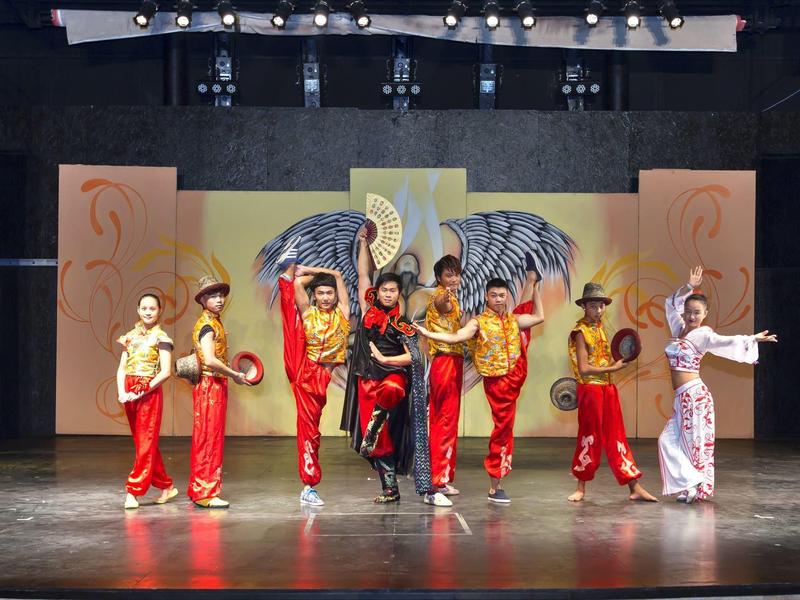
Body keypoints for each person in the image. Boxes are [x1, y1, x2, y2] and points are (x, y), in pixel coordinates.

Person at [341, 228, 450, 507]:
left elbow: (414, 358)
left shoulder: (402, 324)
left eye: (393, 291)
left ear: (399, 294)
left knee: (390, 390)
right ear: (377, 293)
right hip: (366, 379)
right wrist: (364, 243)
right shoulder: (368, 312)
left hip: (392, 378)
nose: (389, 294)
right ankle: (390, 489)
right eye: (385, 290)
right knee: (377, 444)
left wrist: (387, 360)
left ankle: (375, 425)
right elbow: (363, 273)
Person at [415, 268, 543, 504]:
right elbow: (456, 337)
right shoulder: (479, 322)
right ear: (486, 297)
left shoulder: (514, 320)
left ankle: (495, 484)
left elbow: (539, 317)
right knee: (502, 429)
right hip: (496, 382)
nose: (498, 299)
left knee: (505, 430)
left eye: (502, 295)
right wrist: (429, 333)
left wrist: (536, 287)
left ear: (507, 297)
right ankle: (495, 485)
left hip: (513, 377)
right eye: (493, 295)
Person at [658, 266, 777, 503]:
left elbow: (723, 342)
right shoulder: (678, 328)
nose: (692, 316)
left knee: (693, 443)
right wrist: (689, 286)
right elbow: (669, 304)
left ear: (705, 314)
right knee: (669, 441)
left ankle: (692, 486)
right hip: (682, 397)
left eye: (697, 313)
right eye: (689, 312)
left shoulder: (702, 334)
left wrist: (752, 339)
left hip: (695, 396)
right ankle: (690, 483)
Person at [566, 282, 658, 503]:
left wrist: (616, 362)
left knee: (617, 436)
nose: (598, 310)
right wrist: (612, 368)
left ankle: (634, 486)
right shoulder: (580, 332)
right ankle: (581, 487)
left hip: (607, 389)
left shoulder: (600, 329)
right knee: (590, 437)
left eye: (601, 306)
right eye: (593, 306)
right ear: (584, 307)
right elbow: (584, 368)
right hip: (590, 390)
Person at [277, 236, 351, 507]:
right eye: (320, 293)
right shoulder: (308, 313)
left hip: (323, 377)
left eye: (328, 293)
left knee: (313, 430)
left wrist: (322, 273)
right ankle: (309, 485)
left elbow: (339, 278)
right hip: (305, 369)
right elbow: (300, 285)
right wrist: (301, 273)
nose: (325, 297)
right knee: (308, 430)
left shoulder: (343, 313)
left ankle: (287, 268)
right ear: (315, 296)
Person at [188, 275, 252, 509]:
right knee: (209, 438)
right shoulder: (206, 325)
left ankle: (199, 487)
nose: (219, 300)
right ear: (203, 299)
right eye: (213, 296)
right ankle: (205, 491)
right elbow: (210, 360)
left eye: (221, 295)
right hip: (209, 385)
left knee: (208, 437)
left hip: (214, 384)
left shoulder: (214, 321)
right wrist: (234, 374)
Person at [116, 293, 178, 509]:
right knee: (144, 443)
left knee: (145, 443)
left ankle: (133, 490)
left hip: (149, 392)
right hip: (129, 392)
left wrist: (141, 391)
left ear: (159, 310)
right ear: (138, 309)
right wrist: (121, 392)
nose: (148, 312)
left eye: (152, 308)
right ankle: (166, 486)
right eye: (144, 308)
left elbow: (165, 372)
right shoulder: (130, 336)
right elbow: (122, 368)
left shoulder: (161, 338)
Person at [425, 255, 464, 498]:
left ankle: (440, 476)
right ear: (439, 278)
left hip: (450, 361)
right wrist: (444, 297)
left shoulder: (451, 296)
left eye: (456, 274)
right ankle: (439, 479)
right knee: (445, 420)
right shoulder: (440, 295)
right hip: (446, 361)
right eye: (449, 274)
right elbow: (441, 304)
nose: (454, 279)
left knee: (444, 419)